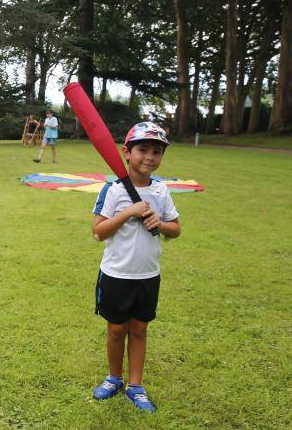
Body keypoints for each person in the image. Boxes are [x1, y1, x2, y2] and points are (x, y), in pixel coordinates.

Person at [90, 122, 181, 413]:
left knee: (139, 329)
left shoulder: (161, 190)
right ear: (127, 152)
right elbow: (98, 232)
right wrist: (129, 211)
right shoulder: (113, 190)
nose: (150, 157)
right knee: (117, 329)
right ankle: (114, 378)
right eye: (143, 150)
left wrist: (160, 223)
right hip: (116, 274)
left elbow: (175, 229)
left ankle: (135, 385)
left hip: (148, 275)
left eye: (157, 152)